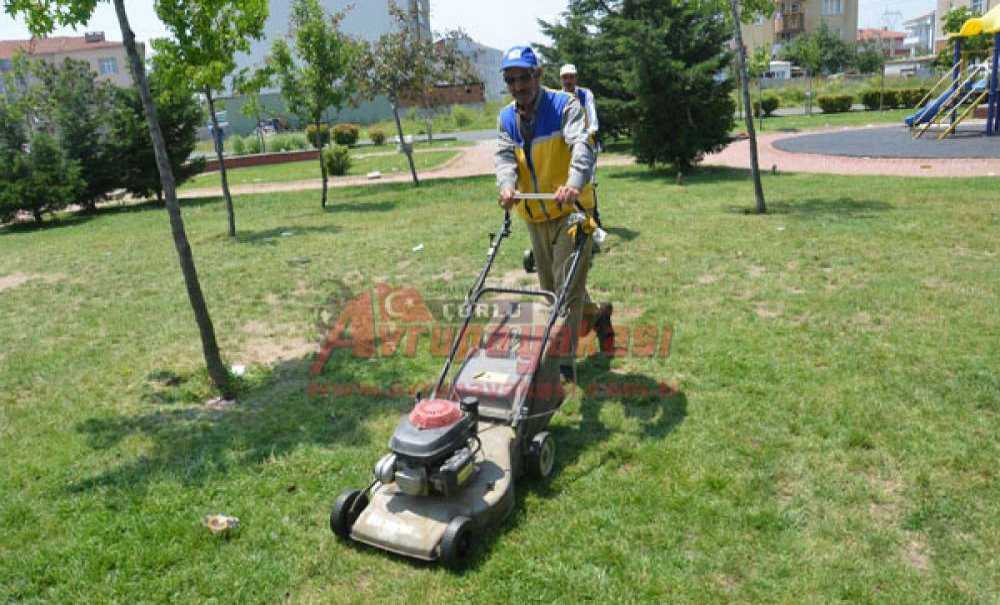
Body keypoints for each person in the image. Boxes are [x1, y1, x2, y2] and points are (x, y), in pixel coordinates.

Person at [495, 46, 614, 381]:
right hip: (535, 216)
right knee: (553, 288)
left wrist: (574, 183)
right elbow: (505, 158)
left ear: (538, 75)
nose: (518, 86)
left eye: (524, 77)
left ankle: (561, 365)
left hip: (572, 211)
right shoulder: (506, 118)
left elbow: (583, 145)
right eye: (511, 80)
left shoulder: (565, 106)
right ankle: (598, 317)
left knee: (564, 293)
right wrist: (506, 185)